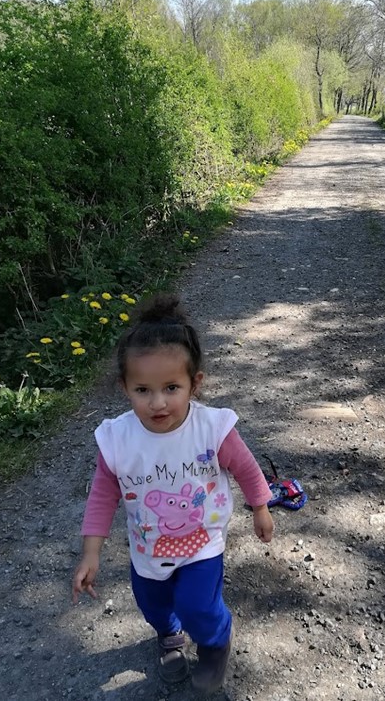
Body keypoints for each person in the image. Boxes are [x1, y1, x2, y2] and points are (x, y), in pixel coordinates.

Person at [72, 294, 274, 693]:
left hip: (202, 544)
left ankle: (215, 642)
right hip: (147, 548)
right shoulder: (118, 439)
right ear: (124, 387)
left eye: (171, 387)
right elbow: (101, 496)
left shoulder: (211, 428)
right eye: (143, 390)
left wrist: (260, 507)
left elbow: (246, 467)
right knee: (155, 605)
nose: (158, 402)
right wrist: (91, 552)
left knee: (197, 604)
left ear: (194, 384)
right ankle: (169, 636)